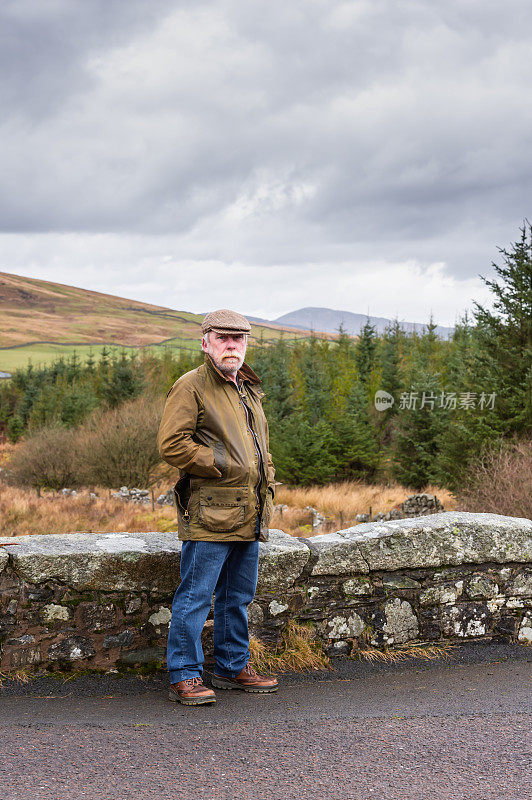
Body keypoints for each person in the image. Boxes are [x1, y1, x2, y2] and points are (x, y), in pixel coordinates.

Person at [157, 309, 279, 706]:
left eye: (238, 339)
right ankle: (184, 674)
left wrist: (265, 474)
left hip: (250, 510)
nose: (231, 345)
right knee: (195, 597)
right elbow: (172, 444)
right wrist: (222, 464)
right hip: (210, 510)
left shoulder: (246, 386)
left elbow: (259, 448)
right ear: (205, 341)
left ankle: (230, 666)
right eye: (223, 338)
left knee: (237, 596)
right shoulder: (191, 386)